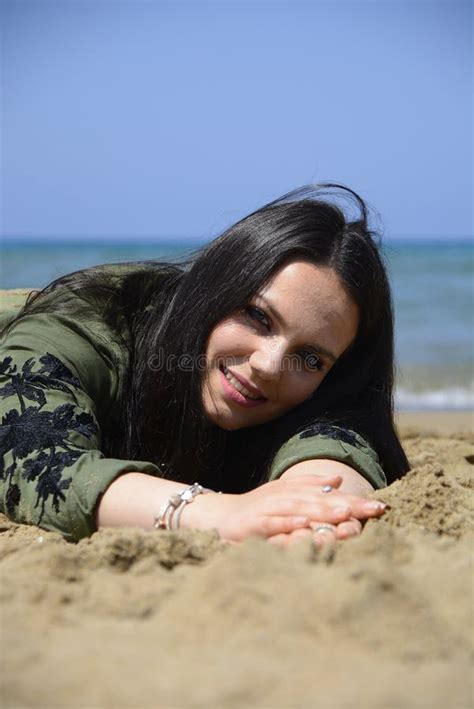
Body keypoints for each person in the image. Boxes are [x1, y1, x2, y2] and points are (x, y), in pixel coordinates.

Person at [0, 184, 409, 546]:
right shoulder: (85, 326)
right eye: (258, 317)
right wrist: (213, 513)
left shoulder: (315, 390)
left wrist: (315, 508)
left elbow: (339, 436)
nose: (268, 366)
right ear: (215, 287)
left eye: (310, 358)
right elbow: (35, 460)